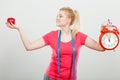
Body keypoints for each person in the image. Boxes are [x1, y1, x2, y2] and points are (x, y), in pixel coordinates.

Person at [6, 7, 105, 80]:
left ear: (69, 20)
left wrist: (104, 32)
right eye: (57, 15)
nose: (57, 18)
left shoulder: (78, 36)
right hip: (51, 77)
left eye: (60, 16)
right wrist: (19, 29)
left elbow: (101, 48)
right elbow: (29, 47)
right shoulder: (51, 35)